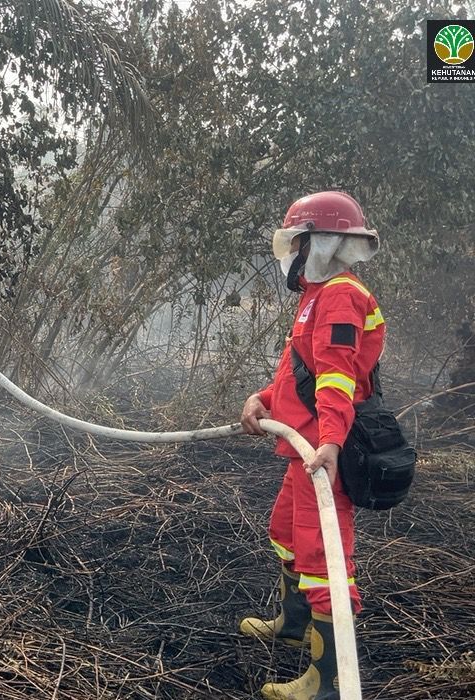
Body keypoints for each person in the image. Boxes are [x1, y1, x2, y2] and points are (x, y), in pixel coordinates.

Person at [238, 191, 384, 700]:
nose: (291, 251)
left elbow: (338, 381)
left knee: (324, 557)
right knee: (285, 533)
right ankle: (293, 625)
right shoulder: (315, 297)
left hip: (322, 454)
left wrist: (331, 444)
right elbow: (301, 374)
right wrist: (263, 399)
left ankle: (323, 684)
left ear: (318, 244)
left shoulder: (340, 296)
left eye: (298, 240)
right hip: (303, 448)